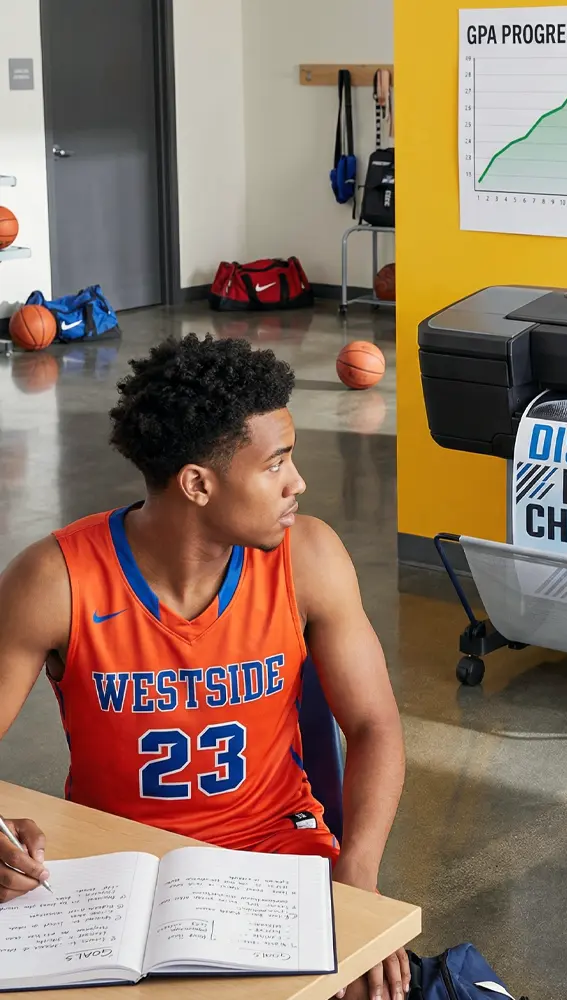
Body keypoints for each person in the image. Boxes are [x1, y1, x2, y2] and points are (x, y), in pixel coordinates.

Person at [0, 334, 407, 1000]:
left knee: (369, 990)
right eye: (276, 464)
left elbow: (373, 725)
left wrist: (358, 880)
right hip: (116, 869)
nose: (298, 483)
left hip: (276, 855)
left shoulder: (309, 558)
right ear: (197, 483)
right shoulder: (55, 581)